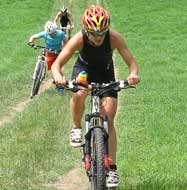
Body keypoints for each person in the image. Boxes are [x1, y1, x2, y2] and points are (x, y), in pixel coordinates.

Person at [52, 4, 139, 188]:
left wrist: (133, 74)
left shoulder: (114, 38)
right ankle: (76, 127)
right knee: (80, 92)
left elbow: (131, 62)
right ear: (86, 29)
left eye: (102, 33)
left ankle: (112, 168)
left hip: (106, 74)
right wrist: (58, 75)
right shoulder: (79, 38)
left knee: (108, 118)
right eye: (94, 34)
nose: (99, 38)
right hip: (83, 70)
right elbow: (57, 64)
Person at [28, 21, 67, 93]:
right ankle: (58, 81)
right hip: (49, 53)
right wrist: (31, 42)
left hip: (58, 53)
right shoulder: (45, 34)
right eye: (50, 34)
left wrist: (63, 50)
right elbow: (33, 37)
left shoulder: (60, 34)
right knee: (53, 71)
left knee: (56, 69)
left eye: (53, 33)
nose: (51, 35)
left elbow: (66, 42)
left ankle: (60, 85)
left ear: (55, 30)